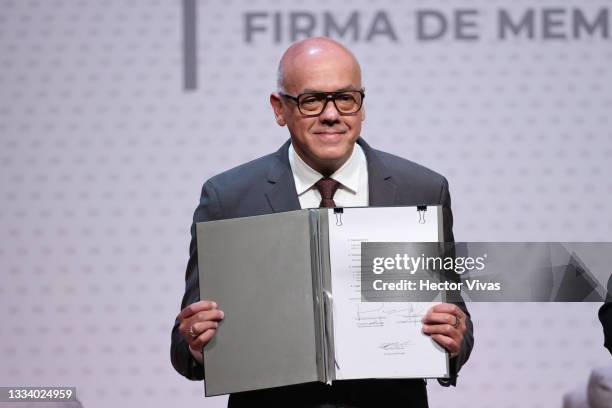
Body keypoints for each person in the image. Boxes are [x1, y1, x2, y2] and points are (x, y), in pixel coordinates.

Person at [171, 37, 474, 407]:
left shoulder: (421, 189)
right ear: (279, 108)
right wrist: (197, 343)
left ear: (362, 106)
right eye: (312, 100)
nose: (332, 114)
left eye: (345, 98)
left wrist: (455, 338)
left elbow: (457, 320)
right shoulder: (228, 198)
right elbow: (184, 344)